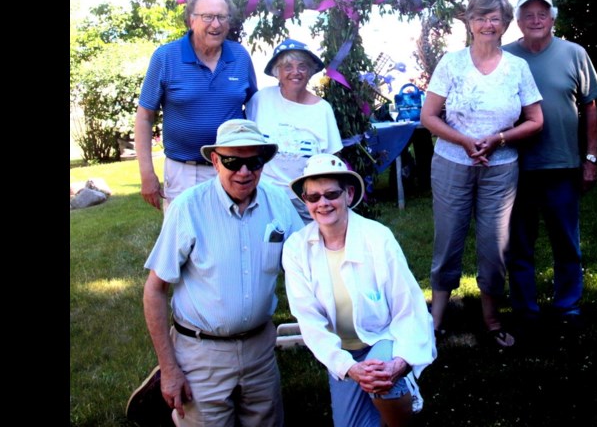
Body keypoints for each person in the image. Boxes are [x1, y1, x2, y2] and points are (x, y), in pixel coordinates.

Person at [139, 119, 304, 426]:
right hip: (202, 358)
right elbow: (154, 289)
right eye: (233, 161)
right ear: (215, 161)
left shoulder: (279, 202)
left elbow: (310, 265)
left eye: (253, 162)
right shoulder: (188, 208)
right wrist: (170, 369)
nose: (244, 172)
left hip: (260, 353)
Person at [420, 0, 544, 347]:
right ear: (469, 22)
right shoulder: (451, 63)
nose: (487, 24)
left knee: (494, 245)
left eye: (494, 18)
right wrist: (464, 141)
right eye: (480, 17)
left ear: (506, 24)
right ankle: (436, 321)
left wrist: (499, 139)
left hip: (501, 167)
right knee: (448, 241)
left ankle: (491, 320)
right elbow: (428, 116)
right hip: (451, 163)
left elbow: (536, 120)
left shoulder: (517, 68)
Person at [282, 154, 436, 427]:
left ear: (349, 194)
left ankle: (401, 399)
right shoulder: (296, 248)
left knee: (382, 381)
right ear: (305, 202)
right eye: (313, 197)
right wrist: (349, 368)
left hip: (383, 340)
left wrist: (399, 363)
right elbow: (310, 323)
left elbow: (409, 308)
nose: (323, 203)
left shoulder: (377, 238)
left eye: (331, 194)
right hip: (343, 351)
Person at [503, 0, 597, 327]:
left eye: (542, 13)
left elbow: (590, 109)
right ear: (517, 21)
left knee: (566, 242)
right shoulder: (503, 58)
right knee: (518, 244)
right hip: (515, 166)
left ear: (552, 18)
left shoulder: (574, 54)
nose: (535, 20)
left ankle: (568, 306)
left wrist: (590, 158)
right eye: (528, 14)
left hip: (563, 165)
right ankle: (525, 310)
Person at [135, 0, 258, 211]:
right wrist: (147, 173)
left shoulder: (240, 56)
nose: (216, 24)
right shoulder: (165, 57)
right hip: (184, 171)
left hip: (232, 168)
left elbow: (255, 109)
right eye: (207, 16)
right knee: (183, 242)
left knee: (233, 237)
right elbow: (144, 117)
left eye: (222, 17)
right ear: (191, 20)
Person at [247, 38, 344, 224]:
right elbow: (248, 143)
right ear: (277, 72)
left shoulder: (322, 109)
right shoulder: (261, 100)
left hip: (308, 198)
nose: (295, 72)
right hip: (265, 194)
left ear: (310, 72)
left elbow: (333, 156)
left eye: (302, 66)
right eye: (287, 66)